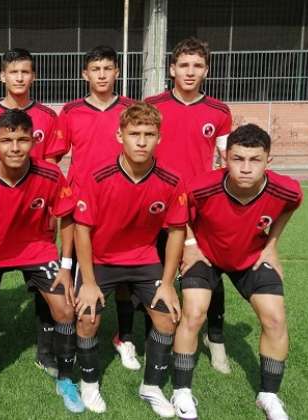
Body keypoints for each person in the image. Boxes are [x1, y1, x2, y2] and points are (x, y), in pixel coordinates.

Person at [171, 124, 302, 420]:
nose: (245, 168)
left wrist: (272, 244)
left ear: (269, 160)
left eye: (254, 160)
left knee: (275, 317)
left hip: (251, 257)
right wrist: (190, 244)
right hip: (205, 255)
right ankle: (181, 391)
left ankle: (269, 396)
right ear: (225, 158)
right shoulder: (201, 186)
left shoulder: (288, 189)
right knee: (193, 314)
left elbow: (290, 206)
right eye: (237, 159)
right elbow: (177, 212)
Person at [0, 109, 83, 415]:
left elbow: (67, 218)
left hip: (37, 250)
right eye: (7, 140)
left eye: (23, 140)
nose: (15, 147)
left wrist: (66, 267)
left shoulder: (51, 175)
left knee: (65, 308)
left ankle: (66, 379)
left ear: (34, 141)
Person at [73, 102, 186, 416]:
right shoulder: (97, 177)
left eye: (149, 134)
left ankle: (150, 387)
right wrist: (89, 282)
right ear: (119, 135)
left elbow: (177, 231)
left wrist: (166, 283)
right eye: (134, 133)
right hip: (101, 260)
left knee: (166, 317)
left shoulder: (171, 180)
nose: (141, 141)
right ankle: (90, 382)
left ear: (159, 138)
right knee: (87, 316)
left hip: (143, 259)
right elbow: (82, 229)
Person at [0, 47, 66, 379]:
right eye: (14, 72)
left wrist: (51, 213)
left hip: (36, 215)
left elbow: (51, 165)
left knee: (48, 287)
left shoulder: (47, 116)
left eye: (26, 72)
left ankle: (46, 350)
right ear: (3, 76)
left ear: (34, 76)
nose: (20, 78)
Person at [51, 45, 142, 371]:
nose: (102, 74)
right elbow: (52, 157)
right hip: (82, 208)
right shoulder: (71, 111)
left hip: (124, 204)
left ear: (117, 72)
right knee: (75, 272)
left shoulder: (132, 109)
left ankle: (125, 336)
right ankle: (77, 337)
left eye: (108, 68)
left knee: (126, 275)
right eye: (96, 69)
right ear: (85, 74)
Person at [146, 37, 233, 374]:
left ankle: (216, 337)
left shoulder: (219, 111)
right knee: (155, 273)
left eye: (197, 66)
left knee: (210, 274)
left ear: (206, 70)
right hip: (159, 205)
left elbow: (226, 160)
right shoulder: (154, 106)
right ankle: (154, 336)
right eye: (184, 65)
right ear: (171, 69)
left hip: (201, 207)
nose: (190, 72)